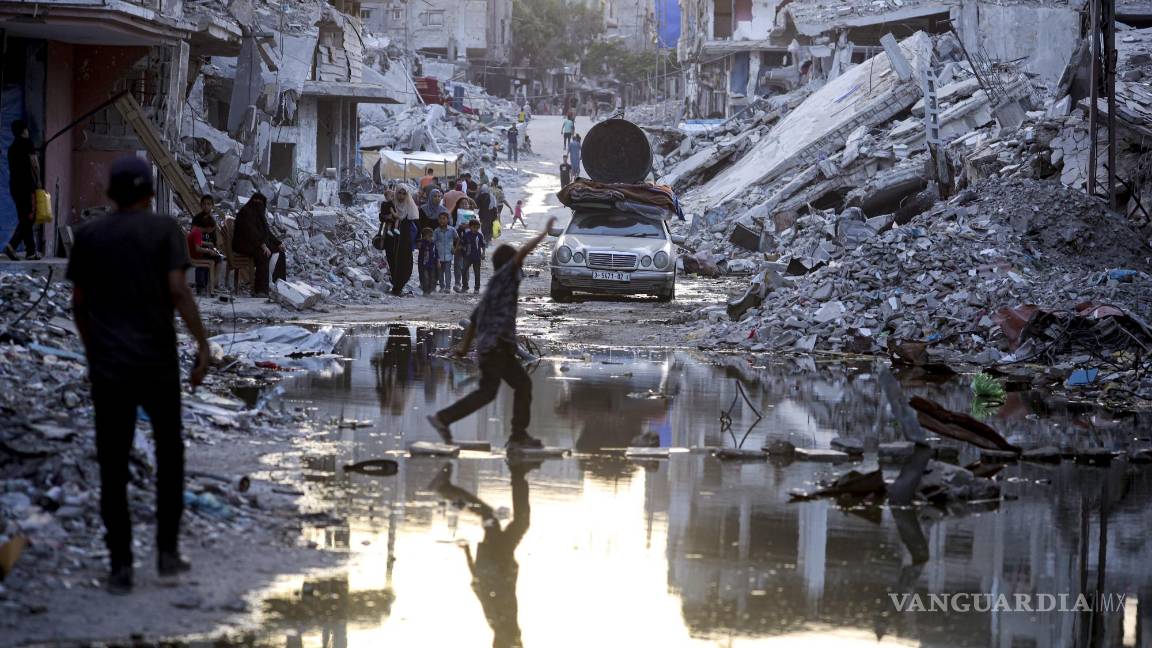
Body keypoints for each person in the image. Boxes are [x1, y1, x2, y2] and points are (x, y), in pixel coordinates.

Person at [68, 155, 211, 594]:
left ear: (110, 194)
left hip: (110, 368)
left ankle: (120, 567)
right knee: (170, 457)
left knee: (113, 464)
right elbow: (178, 290)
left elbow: (79, 303)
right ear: (150, 194)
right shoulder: (164, 230)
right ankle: (166, 555)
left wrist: (95, 353)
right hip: (157, 365)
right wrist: (203, 345)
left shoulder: (89, 235)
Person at [427, 216, 558, 449]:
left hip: (494, 348)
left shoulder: (492, 287)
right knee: (511, 387)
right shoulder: (506, 278)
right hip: (497, 347)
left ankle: (514, 435)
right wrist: (544, 233)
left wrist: (464, 349)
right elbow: (522, 254)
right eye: (516, 264)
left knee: (509, 387)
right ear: (510, 265)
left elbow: (475, 320)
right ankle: (515, 436)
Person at [428, 461, 534, 648]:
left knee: (495, 517)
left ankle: (445, 489)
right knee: (513, 520)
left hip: (496, 558)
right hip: (500, 558)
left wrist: (469, 555)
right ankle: (519, 475)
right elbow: (478, 587)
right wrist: (468, 555)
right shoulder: (499, 623)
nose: (520, 642)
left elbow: (480, 586)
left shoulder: (501, 623)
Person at [233, 193, 286, 297]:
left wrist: (278, 243)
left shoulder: (260, 215)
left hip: (256, 243)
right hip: (243, 244)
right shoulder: (245, 213)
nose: (258, 205)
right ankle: (261, 290)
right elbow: (250, 232)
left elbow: (267, 232)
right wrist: (262, 245)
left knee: (280, 252)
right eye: (256, 203)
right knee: (263, 254)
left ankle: (280, 286)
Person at [4, 120, 41, 261]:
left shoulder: (12, 148)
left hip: (14, 186)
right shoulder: (27, 143)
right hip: (26, 186)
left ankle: (30, 251)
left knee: (25, 218)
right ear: (24, 130)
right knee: (29, 217)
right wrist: (38, 181)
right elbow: (35, 164)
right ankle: (12, 245)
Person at [389, 186, 419, 296]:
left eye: (403, 193)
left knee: (405, 263)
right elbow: (382, 216)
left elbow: (416, 224)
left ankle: (399, 286)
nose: (401, 196)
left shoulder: (410, 207)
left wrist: (416, 240)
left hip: (405, 240)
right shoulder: (392, 205)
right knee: (393, 262)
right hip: (392, 239)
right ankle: (395, 287)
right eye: (399, 193)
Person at [187, 213, 226, 295]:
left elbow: (197, 242)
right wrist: (209, 251)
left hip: (193, 255)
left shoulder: (196, 230)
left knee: (217, 258)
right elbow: (197, 248)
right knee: (215, 260)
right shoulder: (198, 233)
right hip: (195, 257)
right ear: (208, 227)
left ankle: (211, 285)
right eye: (212, 229)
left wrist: (208, 244)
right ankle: (211, 287)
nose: (212, 231)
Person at [433, 212, 457, 294]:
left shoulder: (452, 230)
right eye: (440, 218)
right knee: (440, 272)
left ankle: (448, 287)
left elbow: (457, 239)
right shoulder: (436, 231)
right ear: (438, 220)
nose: (442, 220)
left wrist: (455, 248)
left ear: (448, 220)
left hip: (448, 255)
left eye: (444, 218)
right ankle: (442, 286)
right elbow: (433, 242)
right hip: (439, 256)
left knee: (448, 271)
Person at [460, 219, 486, 293]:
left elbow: (483, 245)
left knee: (477, 273)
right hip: (467, 257)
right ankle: (465, 286)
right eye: (474, 227)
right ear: (470, 227)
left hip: (477, 257)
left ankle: (476, 288)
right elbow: (462, 244)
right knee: (464, 270)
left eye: (477, 227)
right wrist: (463, 249)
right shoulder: (466, 235)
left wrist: (483, 253)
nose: (476, 229)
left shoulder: (480, 235)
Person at [417, 227, 438, 296]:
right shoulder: (422, 243)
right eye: (429, 236)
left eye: (431, 236)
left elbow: (436, 252)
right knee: (424, 277)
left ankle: (430, 289)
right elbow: (419, 246)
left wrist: (438, 260)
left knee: (432, 277)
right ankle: (425, 291)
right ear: (424, 237)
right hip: (423, 264)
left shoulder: (433, 244)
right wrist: (421, 241)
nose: (431, 238)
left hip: (431, 264)